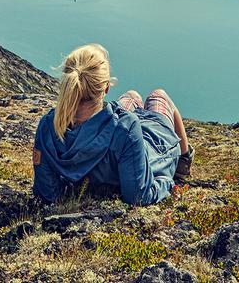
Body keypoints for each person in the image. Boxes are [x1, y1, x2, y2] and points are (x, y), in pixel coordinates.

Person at [32, 43, 193, 206]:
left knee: (132, 96)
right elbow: (139, 195)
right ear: (106, 87)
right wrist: (169, 183)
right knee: (158, 95)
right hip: (146, 151)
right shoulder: (125, 128)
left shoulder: (47, 125)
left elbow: (47, 192)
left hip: (111, 132)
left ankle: (182, 162)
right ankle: (183, 165)